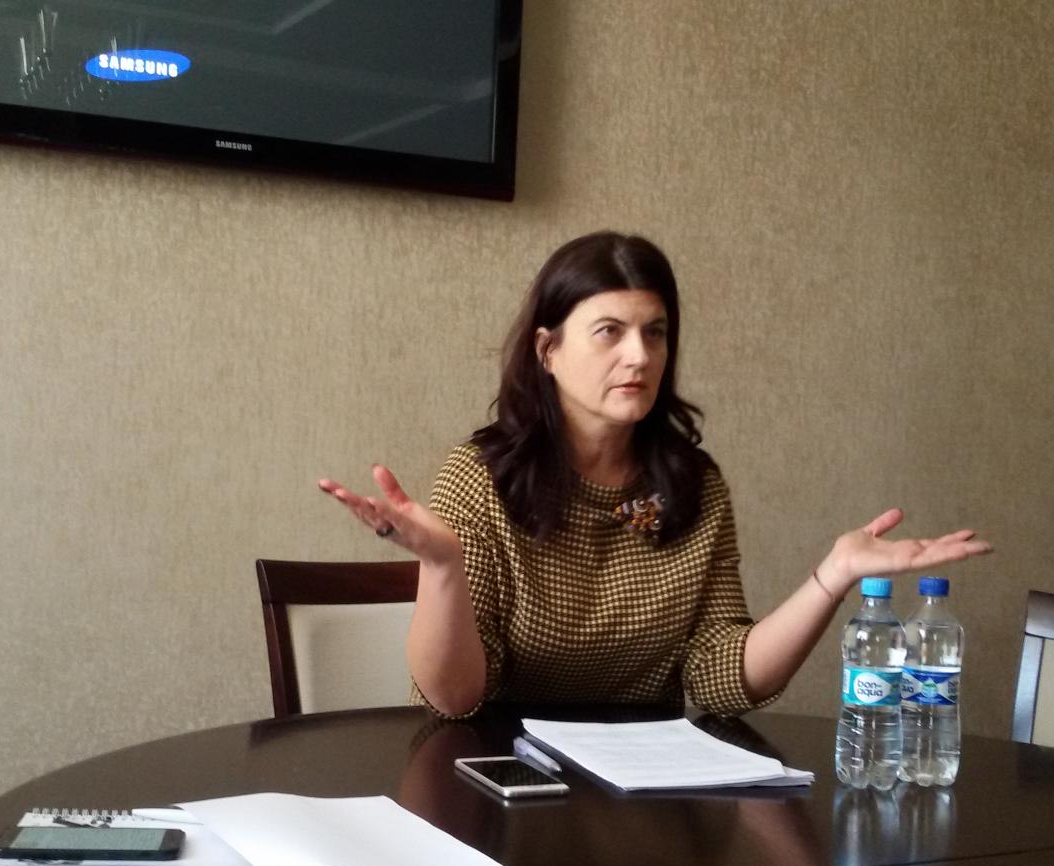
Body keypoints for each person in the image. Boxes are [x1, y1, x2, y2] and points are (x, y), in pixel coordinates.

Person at [318, 232, 991, 718]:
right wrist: (442, 567)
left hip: (646, 790)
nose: (639, 355)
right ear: (547, 350)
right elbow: (455, 698)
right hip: (492, 775)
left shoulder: (693, 484)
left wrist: (833, 577)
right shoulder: (481, 477)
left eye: (656, 332)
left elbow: (720, 677)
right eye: (609, 331)